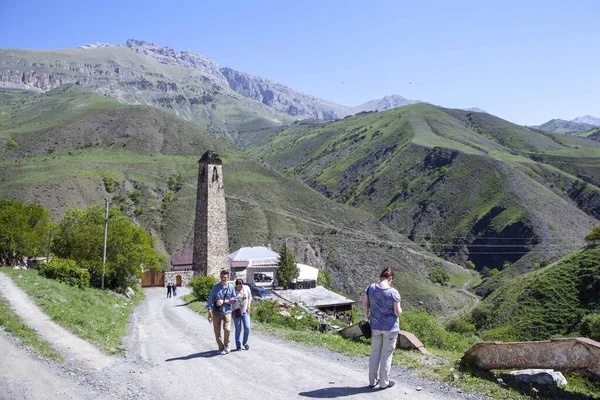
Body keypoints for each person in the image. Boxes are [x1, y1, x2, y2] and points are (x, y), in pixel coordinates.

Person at [362, 267, 402, 390]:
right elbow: (397, 312)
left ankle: (372, 381)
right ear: (390, 278)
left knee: (375, 353)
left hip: (375, 326)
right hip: (390, 328)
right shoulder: (393, 292)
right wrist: (400, 310)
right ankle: (384, 383)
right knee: (386, 355)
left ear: (380, 277)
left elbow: (364, 307)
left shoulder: (370, 288)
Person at [207, 270, 236, 355]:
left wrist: (224, 301)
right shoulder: (215, 288)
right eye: (222, 277)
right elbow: (210, 301)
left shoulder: (231, 287)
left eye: (225, 278)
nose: (224, 279)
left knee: (227, 329)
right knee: (217, 332)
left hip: (227, 311)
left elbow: (234, 299)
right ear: (220, 277)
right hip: (216, 312)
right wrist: (209, 313)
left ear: (228, 277)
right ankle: (221, 347)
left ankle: (227, 345)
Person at [232, 279, 252, 351]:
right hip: (236, 311)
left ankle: (245, 342)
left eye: (241, 286)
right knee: (238, 328)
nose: (240, 288)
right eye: (238, 287)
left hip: (245, 311)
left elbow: (250, 297)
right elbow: (230, 299)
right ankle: (238, 345)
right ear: (236, 285)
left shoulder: (247, 288)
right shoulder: (233, 291)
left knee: (247, 327)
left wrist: (249, 306)